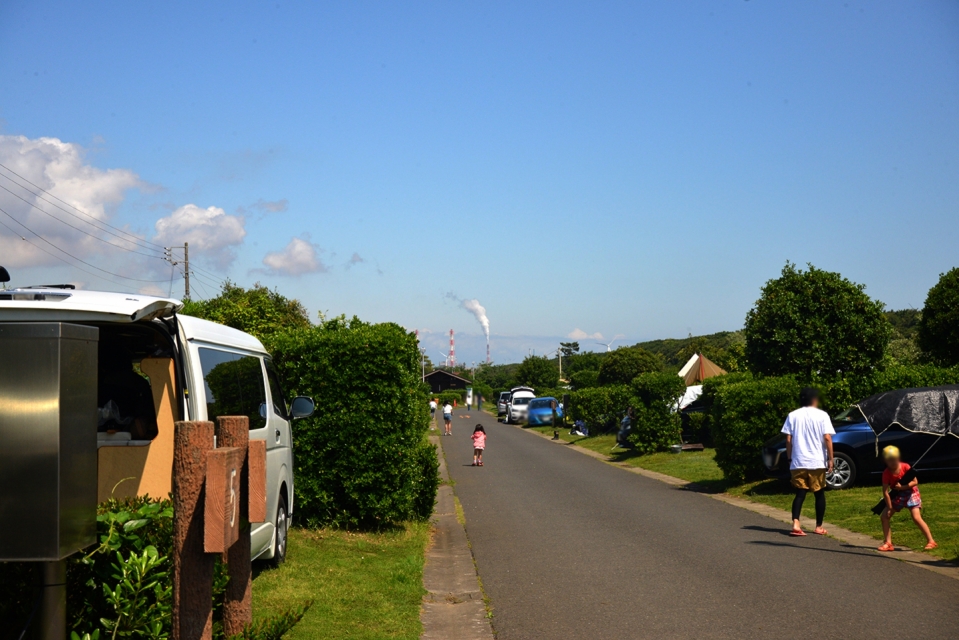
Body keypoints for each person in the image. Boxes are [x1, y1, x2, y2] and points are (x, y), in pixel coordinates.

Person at [782, 387, 834, 536]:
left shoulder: (792, 415)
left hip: (798, 461)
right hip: (816, 461)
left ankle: (796, 523)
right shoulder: (822, 415)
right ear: (815, 399)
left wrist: (790, 457)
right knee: (819, 493)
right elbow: (827, 438)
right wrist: (831, 459)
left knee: (800, 493)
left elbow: (788, 439)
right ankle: (818, 526)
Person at [878, 445, 937, 552]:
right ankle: (888, 543)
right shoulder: (886, 473)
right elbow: (885, 492)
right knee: (884, 517)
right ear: (885, 461)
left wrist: (903, 487)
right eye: (889, 460)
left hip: (911, 493)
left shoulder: (905, 467)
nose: (892, 462)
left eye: (894, 459)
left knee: (916, 517)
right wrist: (890, 507)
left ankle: (931, 541)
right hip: (897, 495)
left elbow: (915, 481)